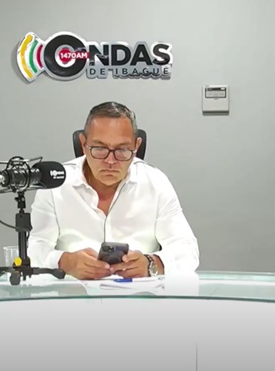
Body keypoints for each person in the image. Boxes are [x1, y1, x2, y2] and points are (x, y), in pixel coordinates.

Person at [28, 101, 199, 280]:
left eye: (122, 150)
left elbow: (187, 249)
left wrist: (151, 264)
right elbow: (34, 249)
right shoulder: (55, 185)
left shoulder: (155, 182)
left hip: (139, 295)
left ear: (136, 146)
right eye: (100, 149)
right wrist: (64, 262)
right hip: (74, 293)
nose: (110, 161)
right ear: (83, 143)